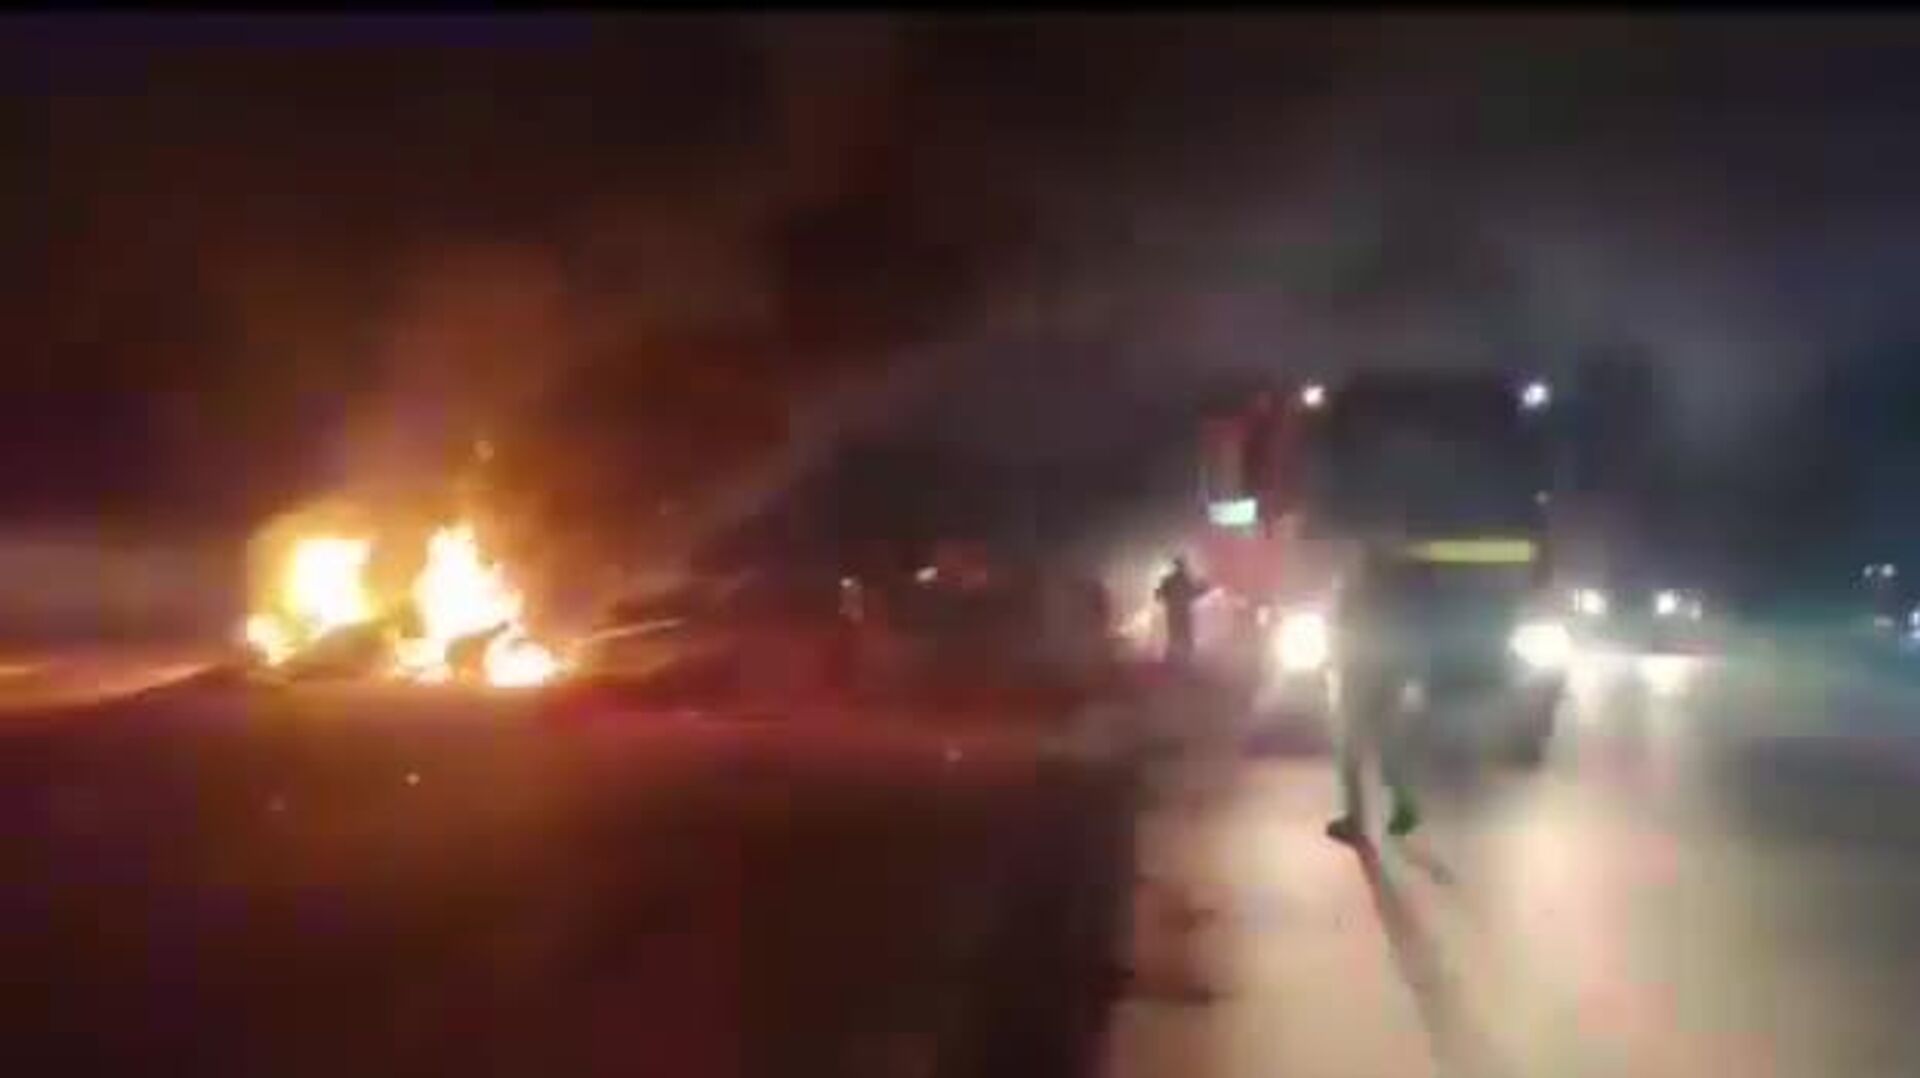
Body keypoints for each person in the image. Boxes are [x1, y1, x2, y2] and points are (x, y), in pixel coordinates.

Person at [1325, 545, 1421, 843]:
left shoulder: (1352, 587)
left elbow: (1339, 624)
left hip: (1360, 673)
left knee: (1350, 749)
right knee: (1388, 745)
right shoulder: (1399, 591)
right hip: (1391, 673)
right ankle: (1404, 806)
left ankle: (1356, 820)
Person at [1154, 556, 1209, 668]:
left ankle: (1174, 659)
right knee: (1184, 635)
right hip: (1182, 612)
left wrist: (1163, 596)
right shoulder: (1185, 579)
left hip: (1174, 612)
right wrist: (1203, 587)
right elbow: (1195, 593)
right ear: (1182, 566)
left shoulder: (1169, 580)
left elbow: (1158, 595)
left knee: (1176, 635)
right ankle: (1182, 660)